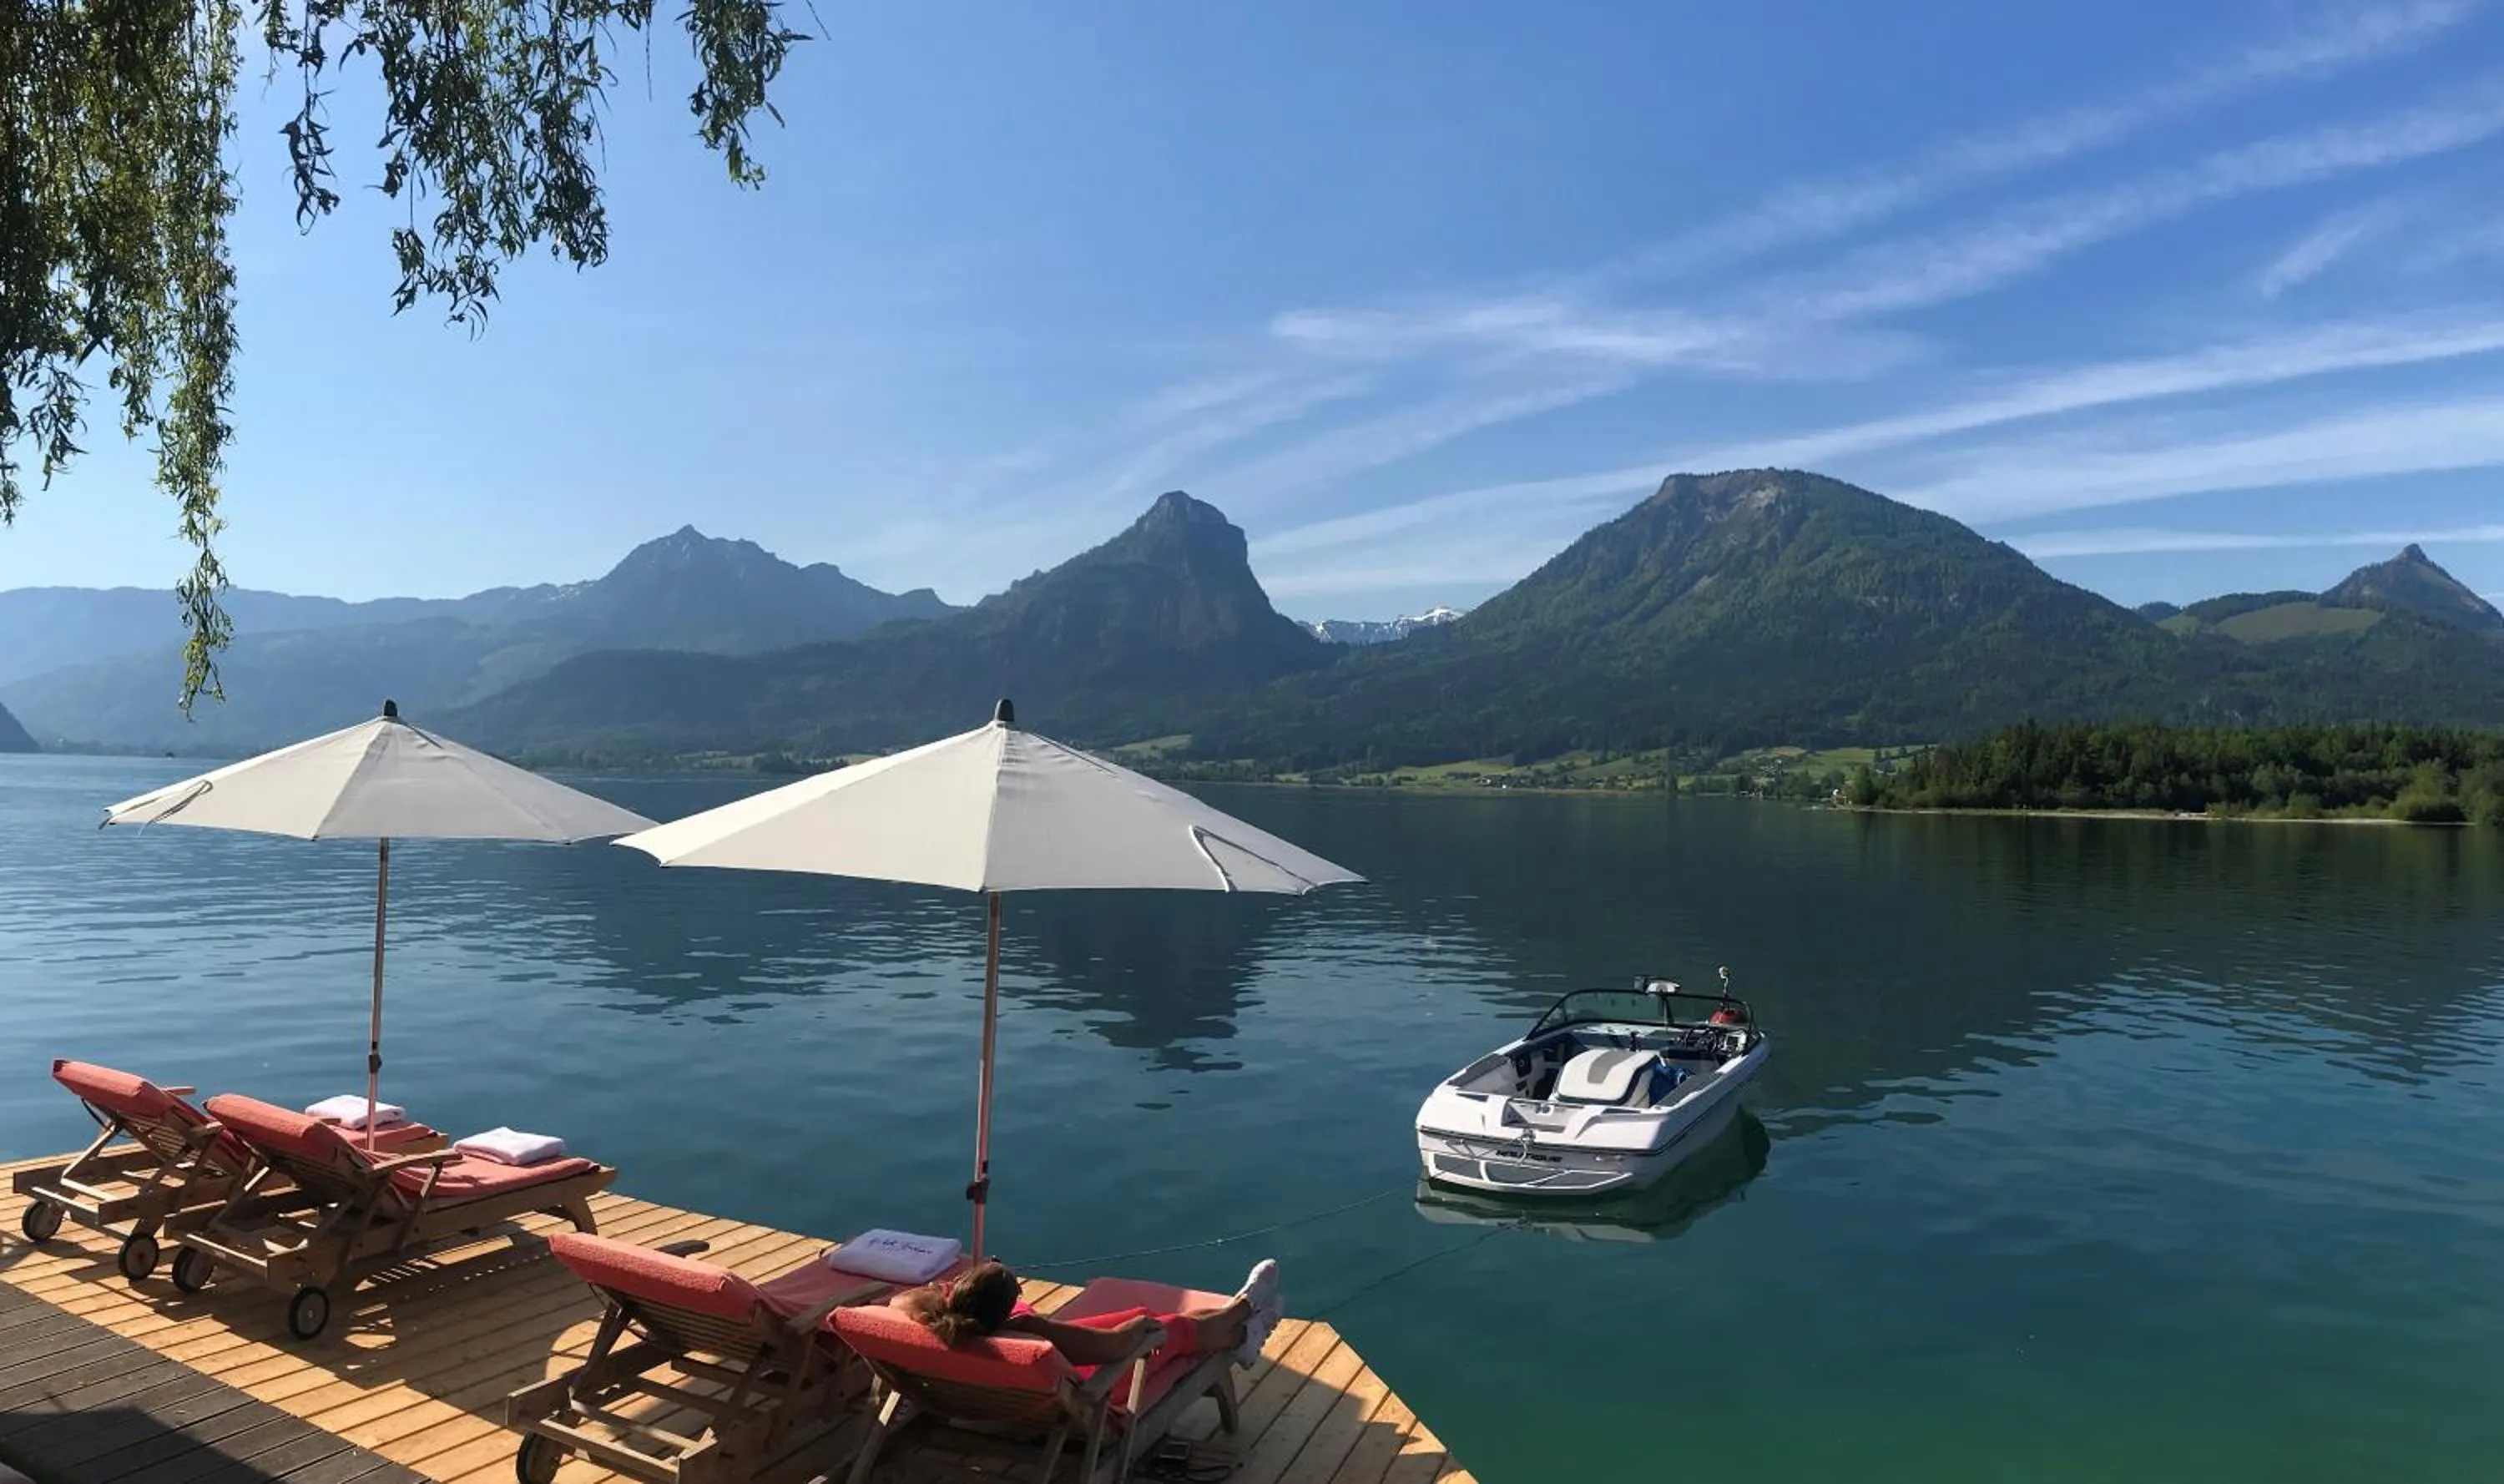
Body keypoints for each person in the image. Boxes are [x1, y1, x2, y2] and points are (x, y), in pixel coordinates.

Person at [895, 1256, 1281, 1369]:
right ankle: (1244, 1313)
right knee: (1167, 1327)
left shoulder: (931, 1325)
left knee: (1147, 1317)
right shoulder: (1029, 1336)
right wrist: (1139, 1328)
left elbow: (902, 1301)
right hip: (1093, 1389)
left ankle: (1246, 1327)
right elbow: (1115, 1348)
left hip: (995, 1400)